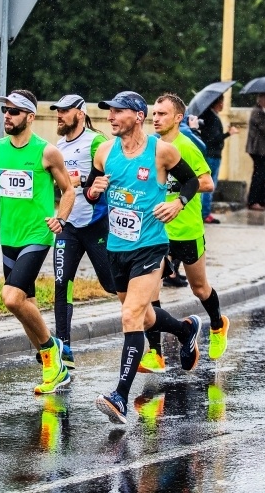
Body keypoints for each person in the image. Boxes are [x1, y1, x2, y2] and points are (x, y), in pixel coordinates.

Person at [83, 91, 202, 425]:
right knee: (145, 316)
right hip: (117, 248)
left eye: (118, 112)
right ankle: (184, 329)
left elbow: (192, 181)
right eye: (109, 112)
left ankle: (120, 396)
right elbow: (91, 192)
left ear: (137, 115)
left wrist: (177, 203)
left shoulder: (161, 151)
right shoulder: (105, 152)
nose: (110, 117)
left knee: (131, 316)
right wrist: (93, 191)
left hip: (150, 247)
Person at [0, 90, 75, 394]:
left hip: (37, 235)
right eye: (5, 111)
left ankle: (53, 356)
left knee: (11, 298)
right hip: (8, 236)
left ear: (30, 116)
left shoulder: (46, 152)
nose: (7, 116)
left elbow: (69, 191)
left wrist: (60, 220)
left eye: (14, 111)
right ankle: (52, 357)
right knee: (25, 306)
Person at [140, 93, 230, 375]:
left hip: (187, 230)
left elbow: (207, 183)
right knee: (149, 292)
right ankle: (155, 354)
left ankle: (217, 324)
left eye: (162, 114)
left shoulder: (186, 147)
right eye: (154, 114)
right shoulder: (149, 147)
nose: (156, 118)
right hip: (158, 233)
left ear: (178, 118)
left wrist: (178, 191)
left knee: (199, 288)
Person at [49, 94, 116, 369]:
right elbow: (56, 185)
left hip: (96, 226)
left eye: (65, 111)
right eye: (57, 111)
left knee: (112, 285)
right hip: (68, 227)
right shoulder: (58, 147)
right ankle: (64, 348)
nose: (59, 115)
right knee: (61, 283)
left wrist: (90, 184)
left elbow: (112, 177)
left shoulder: (96, 142)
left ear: (79, 112)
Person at [200, 96, 239, 224]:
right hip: (212, 155)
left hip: (210, 154)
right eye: (221, 102)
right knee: (209, 185)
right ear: (216, 103)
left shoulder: (208, 116)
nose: (223, 105)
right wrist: (229, 133)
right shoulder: (211, 118)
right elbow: (214, 139)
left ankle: (204, 212)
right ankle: (205, 213)